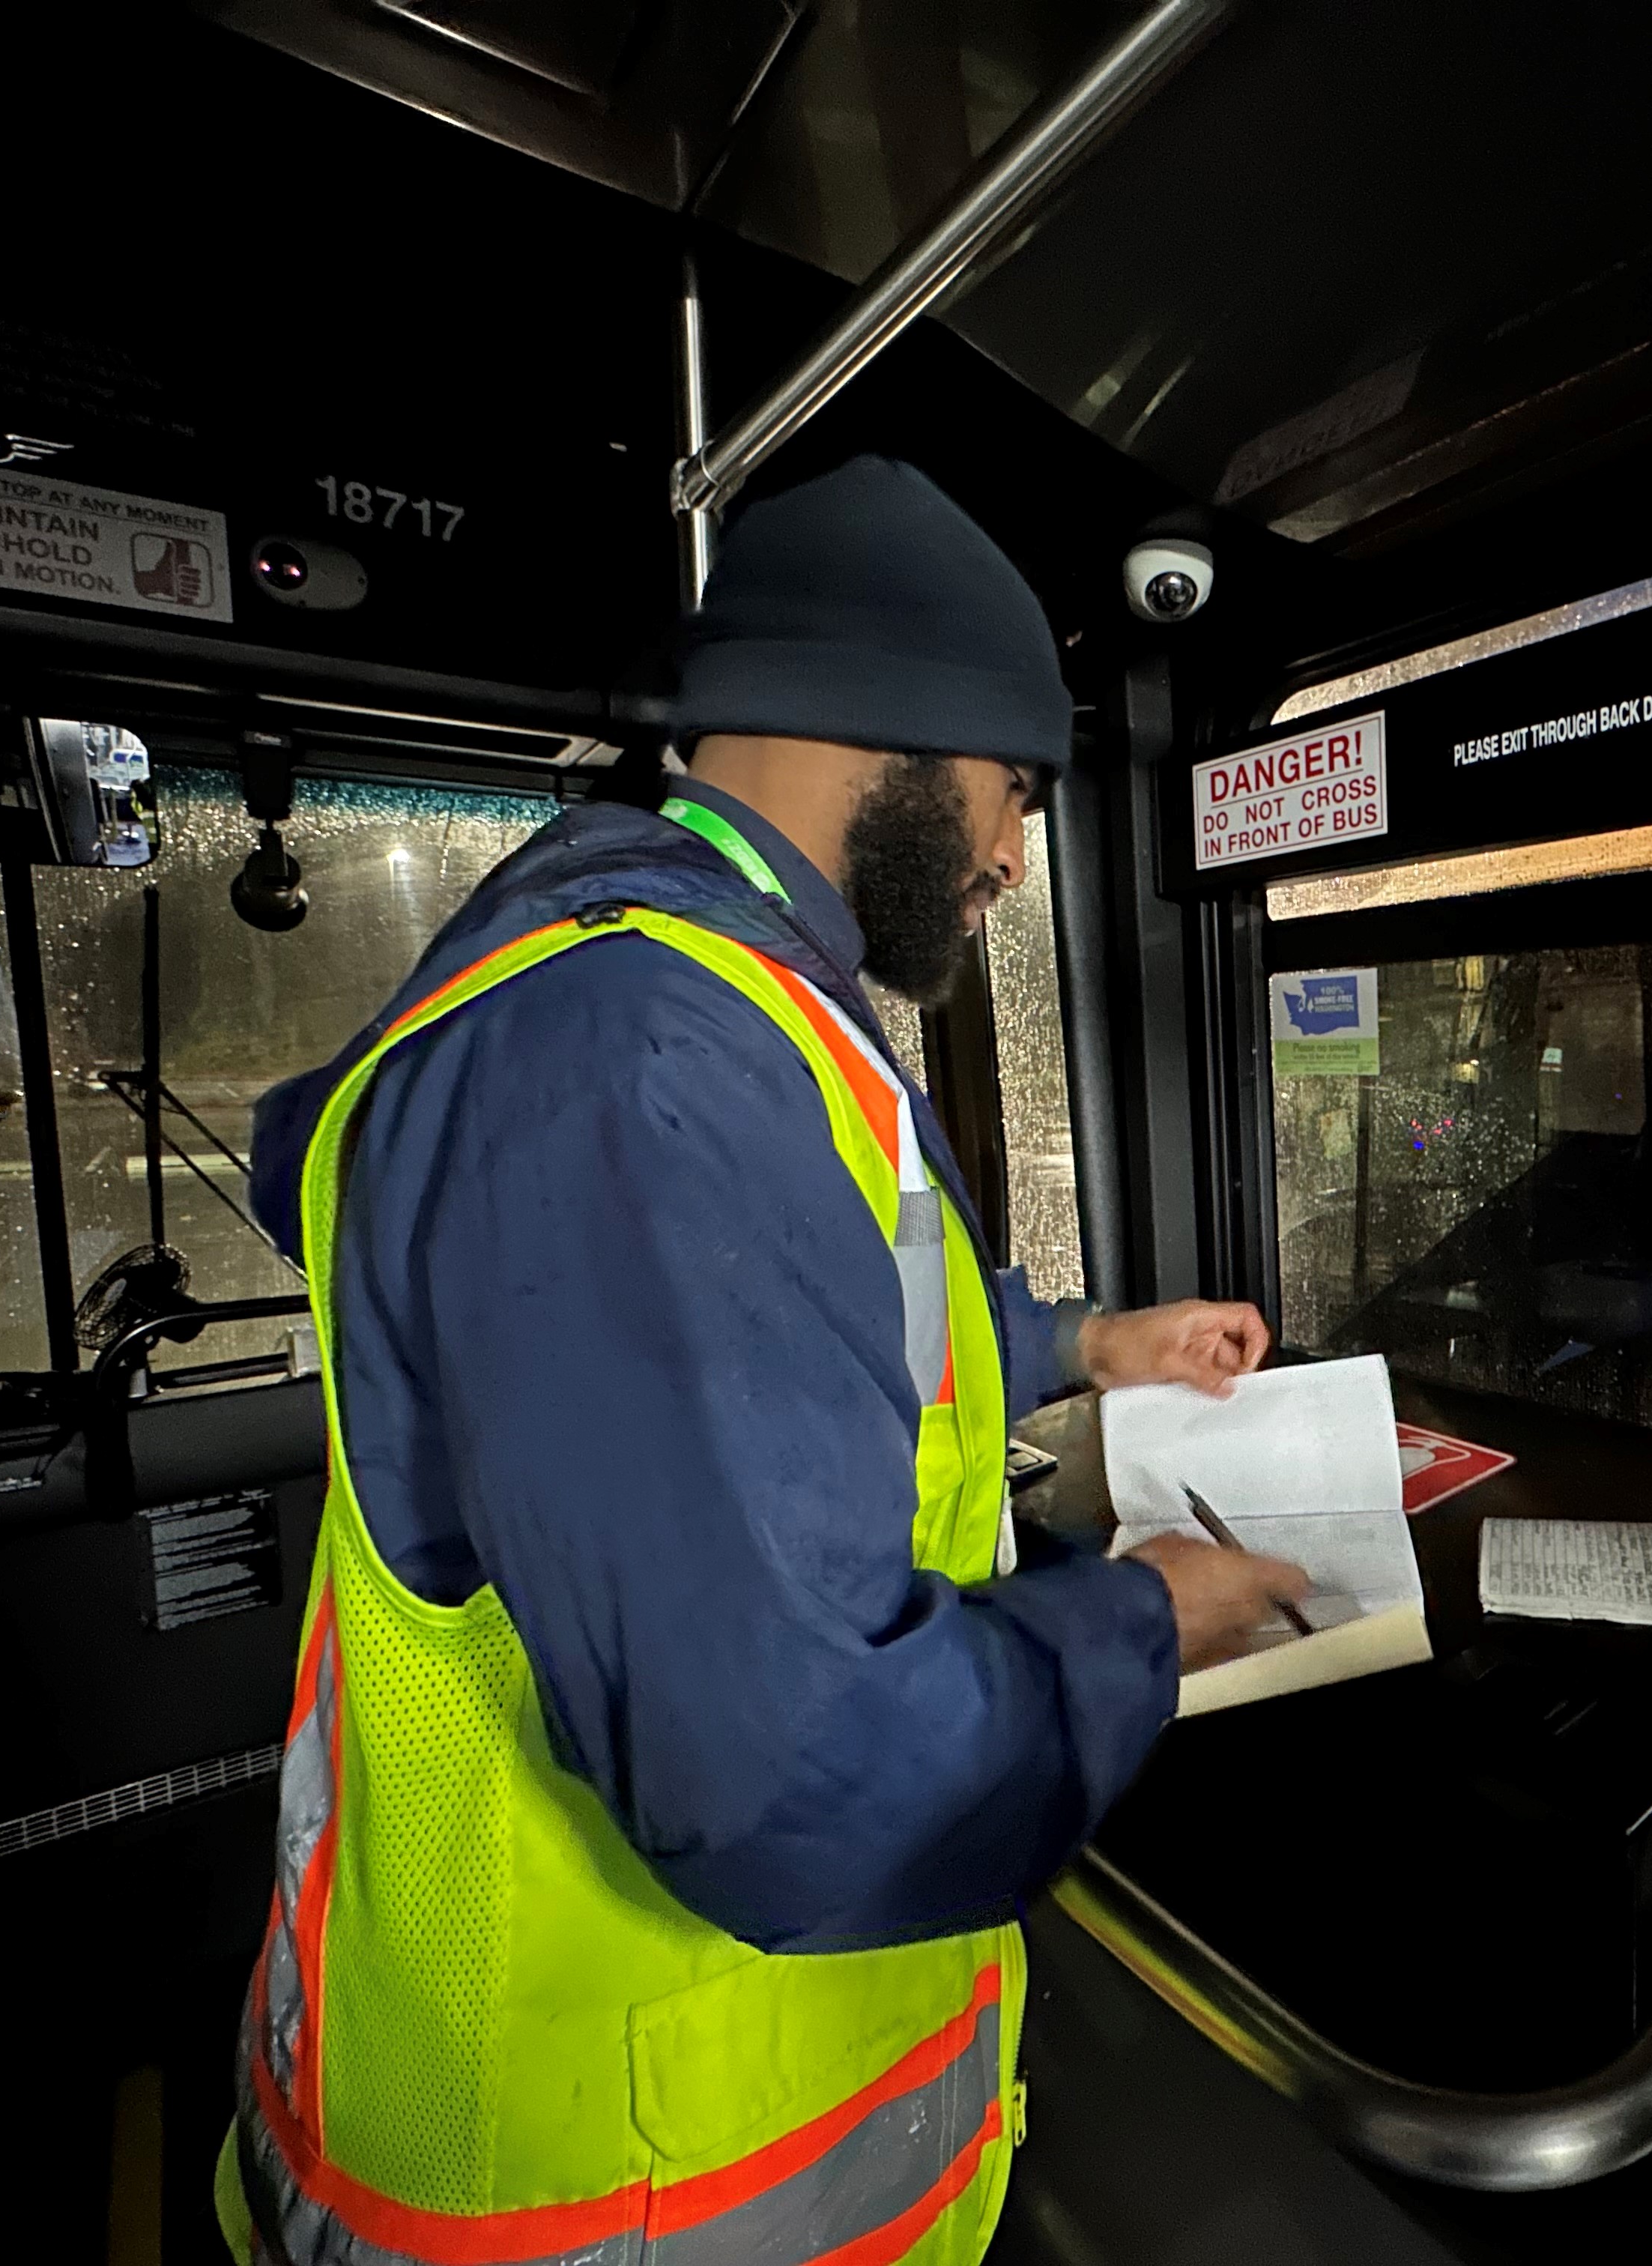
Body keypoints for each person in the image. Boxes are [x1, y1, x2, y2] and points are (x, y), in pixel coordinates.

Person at [214, 455, 1309, 2266]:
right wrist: (1147, 1621)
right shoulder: (634, 1058)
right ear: (889, 727)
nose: (1013, 861)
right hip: (600, 2194)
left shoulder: (698, 1002)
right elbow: (791, 1778)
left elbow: (797, 1335)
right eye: (1012, 794)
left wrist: (1085, 1342)